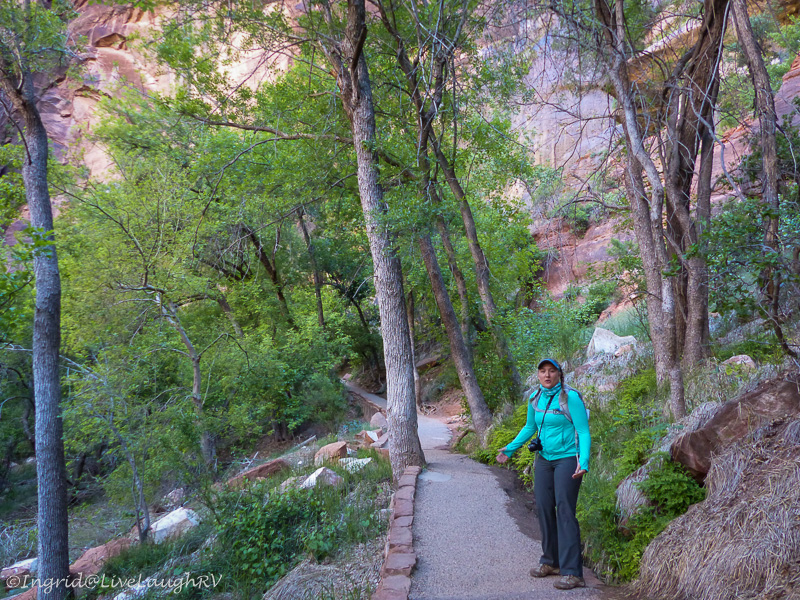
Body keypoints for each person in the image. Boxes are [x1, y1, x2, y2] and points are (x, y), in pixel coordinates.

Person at [496, 358, 591, 591]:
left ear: (559, 374)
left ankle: (572, 572)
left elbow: (583, 431)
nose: (547, 375)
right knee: (543, 507)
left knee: (565, 509)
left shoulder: (571, 398)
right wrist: (510, 448)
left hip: (568, 458)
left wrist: (584, 461)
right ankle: (551, 561)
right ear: (538, 375)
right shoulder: (535, 398)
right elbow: (530, 427)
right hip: (544, 459)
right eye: (542, 371)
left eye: (551, 371)